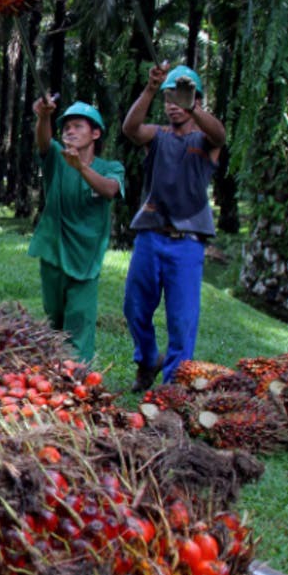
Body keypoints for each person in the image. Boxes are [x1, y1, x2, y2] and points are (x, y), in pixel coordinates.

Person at [121, 63, 227, 391]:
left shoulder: (205, 139)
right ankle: (148, 359)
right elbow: (130, 128)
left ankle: (172, 389)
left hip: (188, 243)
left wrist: (192, 106)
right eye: (169, 97)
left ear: (195, 99)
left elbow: (220, 134)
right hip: (152, 235)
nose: (172, 104)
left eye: (179, 96)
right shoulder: (158, 135)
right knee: (135, 306)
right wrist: (151, 88)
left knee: (182, 320)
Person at [27, 96, 124, 364]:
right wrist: (44, 116)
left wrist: (80, 167)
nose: (70, 130)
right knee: (54, 322)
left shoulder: (110, 168)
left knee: (79, 324)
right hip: (53, 252)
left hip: (85, 258)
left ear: (95, 133)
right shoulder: (57, 159)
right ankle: (52, 377)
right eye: (66, 126)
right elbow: (44, 142)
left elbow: (109, 190)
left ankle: (78, 382)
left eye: (78, 126)